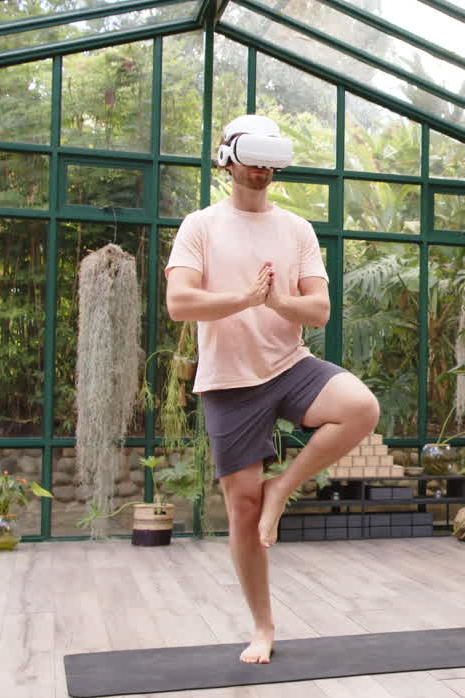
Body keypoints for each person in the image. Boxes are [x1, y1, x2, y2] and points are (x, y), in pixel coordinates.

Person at [164, 114, 380, 664]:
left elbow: (321, 310)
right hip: (229, 382)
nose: (260, 170)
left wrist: (278, 303)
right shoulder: (200, 226)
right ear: (227, 159)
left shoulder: (297, 230)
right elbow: (179, 303)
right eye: (251, 159)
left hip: (289, 363)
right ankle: (263, 626)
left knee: (359, 407)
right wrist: (243, 298)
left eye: (269, 161)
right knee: (240, 506)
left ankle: (282, 489)